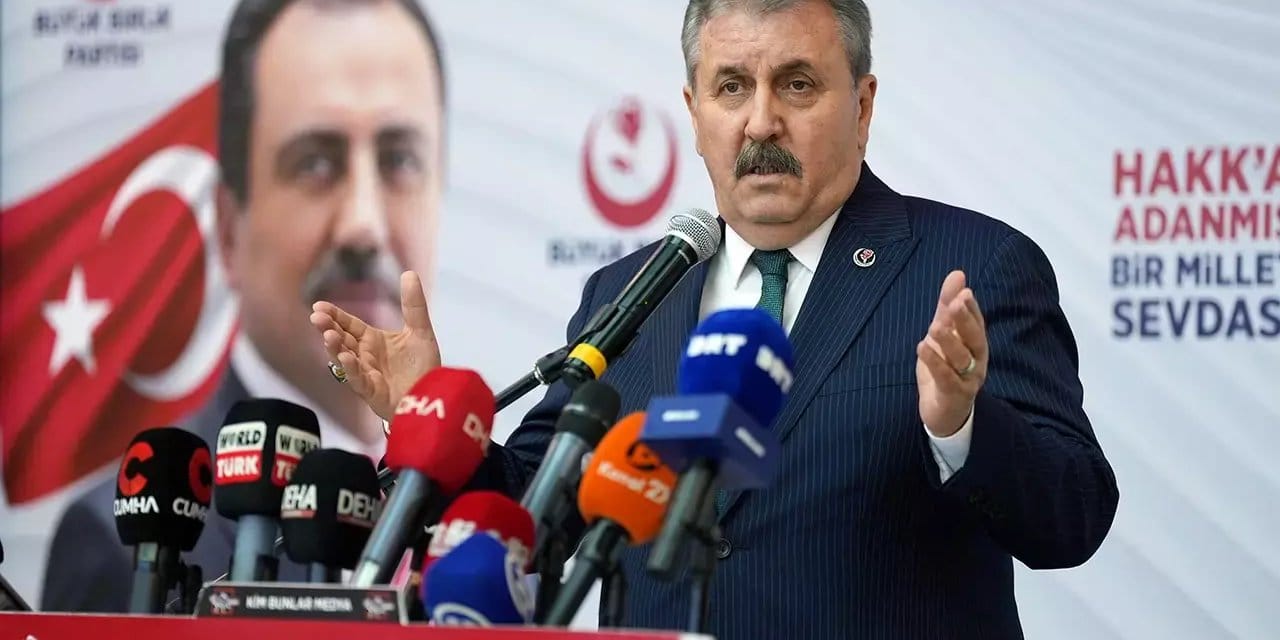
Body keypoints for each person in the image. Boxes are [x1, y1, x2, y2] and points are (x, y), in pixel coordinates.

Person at [312, 0, 1119, 637]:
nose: (761, 122)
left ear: (863, 105)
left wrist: (960, 425)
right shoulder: (629, 294)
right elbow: (533, 518)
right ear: (694, 110)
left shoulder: (971, 267)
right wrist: (427, 421)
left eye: (797, 84)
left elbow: (1073, 516)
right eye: (732, 87)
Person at [41, 0, 447, 612]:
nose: (363, 226)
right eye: (315, 163)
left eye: (399, 160)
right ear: (230, 228)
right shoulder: (113, 541)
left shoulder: (471, 523)